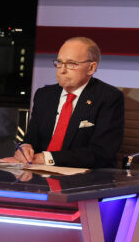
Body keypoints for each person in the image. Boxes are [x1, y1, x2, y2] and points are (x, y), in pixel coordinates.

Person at [10, 36, 124, 169]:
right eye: (59, 62)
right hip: (38, 175)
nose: (62, 70)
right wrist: (25, 148)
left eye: (71, 64)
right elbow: (32, 138)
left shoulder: (108, 97)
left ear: (91, 68)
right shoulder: (44, 95)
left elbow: (101, 152)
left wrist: (47, 158)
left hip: (85, 179)